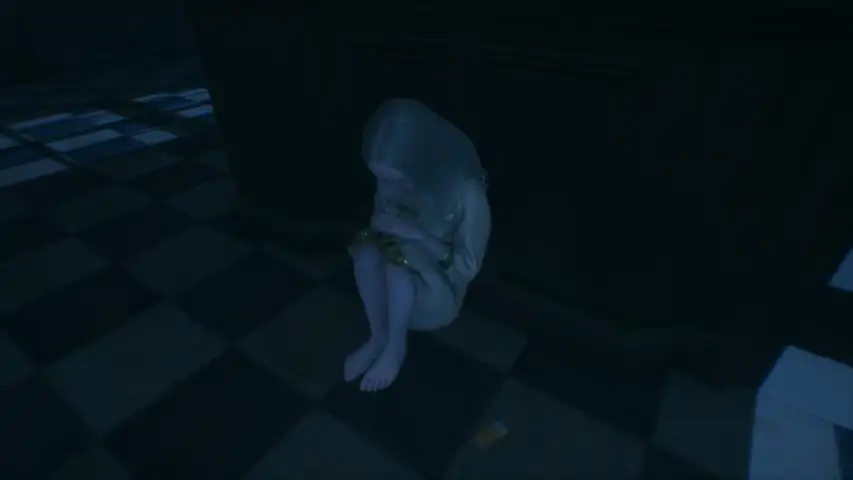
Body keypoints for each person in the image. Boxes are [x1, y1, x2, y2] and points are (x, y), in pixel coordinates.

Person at [344, 98, 492, 392]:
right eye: (380, 179)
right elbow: (381, 217)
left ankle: (395, 348)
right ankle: (378, 336)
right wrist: (383, 228)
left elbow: (467, 267)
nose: (386, 189)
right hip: (394, 280)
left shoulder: (466, 191)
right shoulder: (391, 176)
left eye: (396, 181)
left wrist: (420, 236)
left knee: (399, 265)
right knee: (366, 256)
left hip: (436, 289)